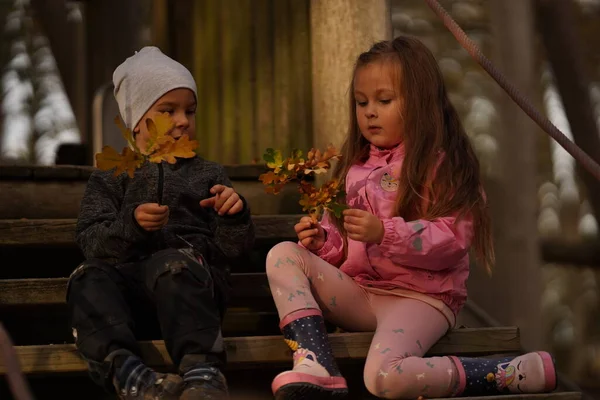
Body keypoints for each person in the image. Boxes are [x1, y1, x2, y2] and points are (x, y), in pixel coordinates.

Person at [265, 36, 556, 399]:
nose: (370, 111)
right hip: (363, 293)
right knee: (282, 254)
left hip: (421, 299)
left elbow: (452, 239)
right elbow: (342, 243)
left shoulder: (443, 165)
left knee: (384, 378)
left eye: (384, 101)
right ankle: (315, 361)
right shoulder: (353, 169)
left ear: (420, 103)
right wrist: (324, 242)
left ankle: (504, 373)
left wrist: (383, 233)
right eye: (361, 102)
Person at [66, 46, 255, 400]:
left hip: (189, 295)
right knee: (86, 277)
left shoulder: (207, 174)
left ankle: (203, 373)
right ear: (137, 122)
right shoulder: (112, 176)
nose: (183, 120)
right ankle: (128, 373)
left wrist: (235, 215)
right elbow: (91, 239)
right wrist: (132, 226)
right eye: (168, 111)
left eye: (190, 110)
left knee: (173, 264)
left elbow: (235, 249)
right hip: (126, 303)